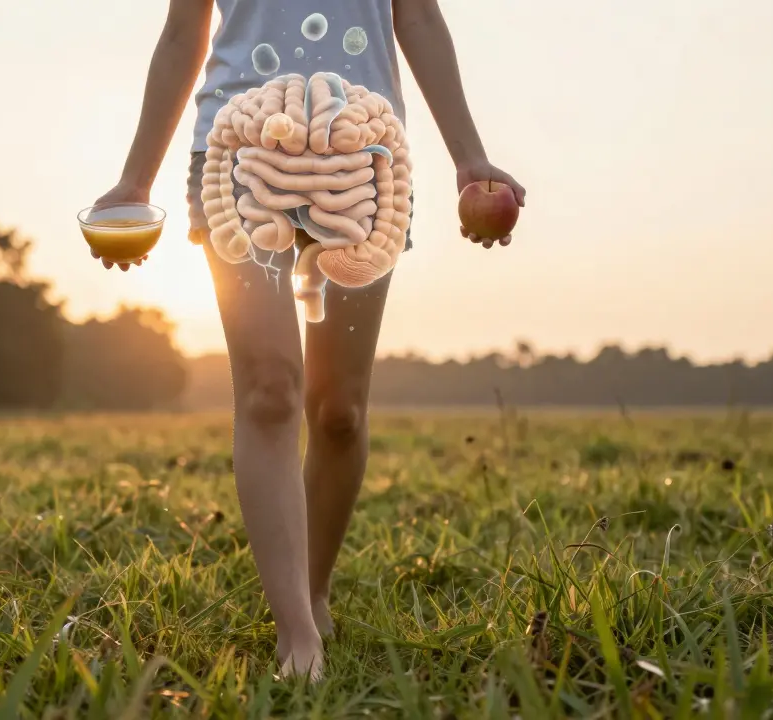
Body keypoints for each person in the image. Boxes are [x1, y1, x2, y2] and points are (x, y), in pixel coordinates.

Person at [90, 0, 526, 680]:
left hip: (365, 159)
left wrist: (469, 156)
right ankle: (297, 634)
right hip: (237, 151)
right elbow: (184, 30)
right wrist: (134, 178)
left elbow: (419, 20)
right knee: (269, 391)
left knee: (339, 412)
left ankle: (313, 588)